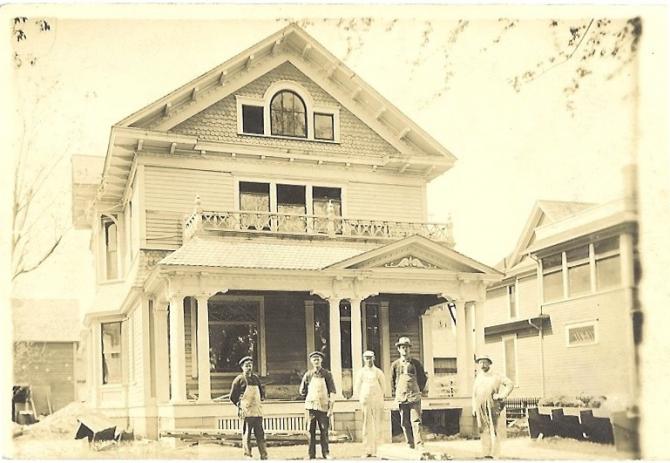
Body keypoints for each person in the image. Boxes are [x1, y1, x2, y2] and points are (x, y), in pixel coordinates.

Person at [471, 355, 514, 459]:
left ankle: (495, 454)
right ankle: (486, 453)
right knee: (483, 429)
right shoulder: (478, 377)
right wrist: (473, 407)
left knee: (493, 429)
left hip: (492, 405)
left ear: (489, 363)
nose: (483, 365)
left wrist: (501, 396)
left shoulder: (496, 375)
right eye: (480, 362)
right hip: (480, 405)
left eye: (485, 362)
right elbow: (474, 393)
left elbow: (510, 384)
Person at [390, 336, 427, 450]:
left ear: (410, 349)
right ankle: (410, 444)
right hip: (402, 397)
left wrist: (417, 390)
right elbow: (392, 381)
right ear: (399, 349)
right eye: (402, 347)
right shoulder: (395, 365)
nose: (405, 350)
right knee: (404, 422)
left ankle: (419, 444)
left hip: (414, 397)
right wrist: (398, 393)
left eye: (407, 347)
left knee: (416, 421)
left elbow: (423, 379)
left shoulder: (416, 363)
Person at [299, 351, 337, 459]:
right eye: (314, 359)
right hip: (311, 407)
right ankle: (311, 455)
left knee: (324, 430)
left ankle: (326, 453)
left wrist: (331, 407)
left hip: (323, 406)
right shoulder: (308, 375)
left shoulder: (327, 374)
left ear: (321, 360)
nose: (316, 361)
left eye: (318, 359)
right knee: (310, 431)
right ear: (311, 361)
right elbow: (302, 390)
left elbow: (333, 391)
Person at [230, 356, 268, 460]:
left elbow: (261, 392)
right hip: (246, 412)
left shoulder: (256, 378)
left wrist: (261, 399)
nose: (249, 367)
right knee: (247, 434)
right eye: (246, 366)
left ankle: (264, 455)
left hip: (257, 411)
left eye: (250, 365)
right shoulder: (239, 380)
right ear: (242, 367)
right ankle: (248, 455)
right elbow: (232, 397)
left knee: (260, 434)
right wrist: (240, 405)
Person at [354, 350, 386, 458]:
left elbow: (383, 387)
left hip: (377, 401)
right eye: (366, 358)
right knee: (366, 426)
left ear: (374, 358)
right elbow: (357, 387)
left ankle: (378, 450)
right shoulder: (361, 372)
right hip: (366, 401)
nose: (368, 360)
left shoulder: (378, 372)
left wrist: (380, 399)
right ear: (363, 359)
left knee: (377, 425)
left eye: (370, 357)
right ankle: (367, 450)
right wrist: (362, 398)